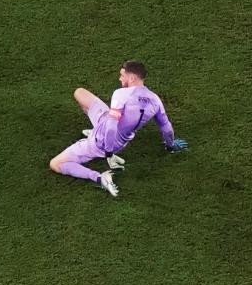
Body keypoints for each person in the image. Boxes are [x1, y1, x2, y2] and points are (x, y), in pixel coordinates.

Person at [49, 60, 188, 197]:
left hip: (101, 142)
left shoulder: (121, 94)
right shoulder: (155, 99)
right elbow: (166, 127)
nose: (120, 78)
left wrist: (108, 154)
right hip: (116, 133)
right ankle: (97, 130)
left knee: (55, 163)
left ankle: (99, 178)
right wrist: (170, 145)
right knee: (80, 93)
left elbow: (110, 127)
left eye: (122, 75)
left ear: (132, 78)